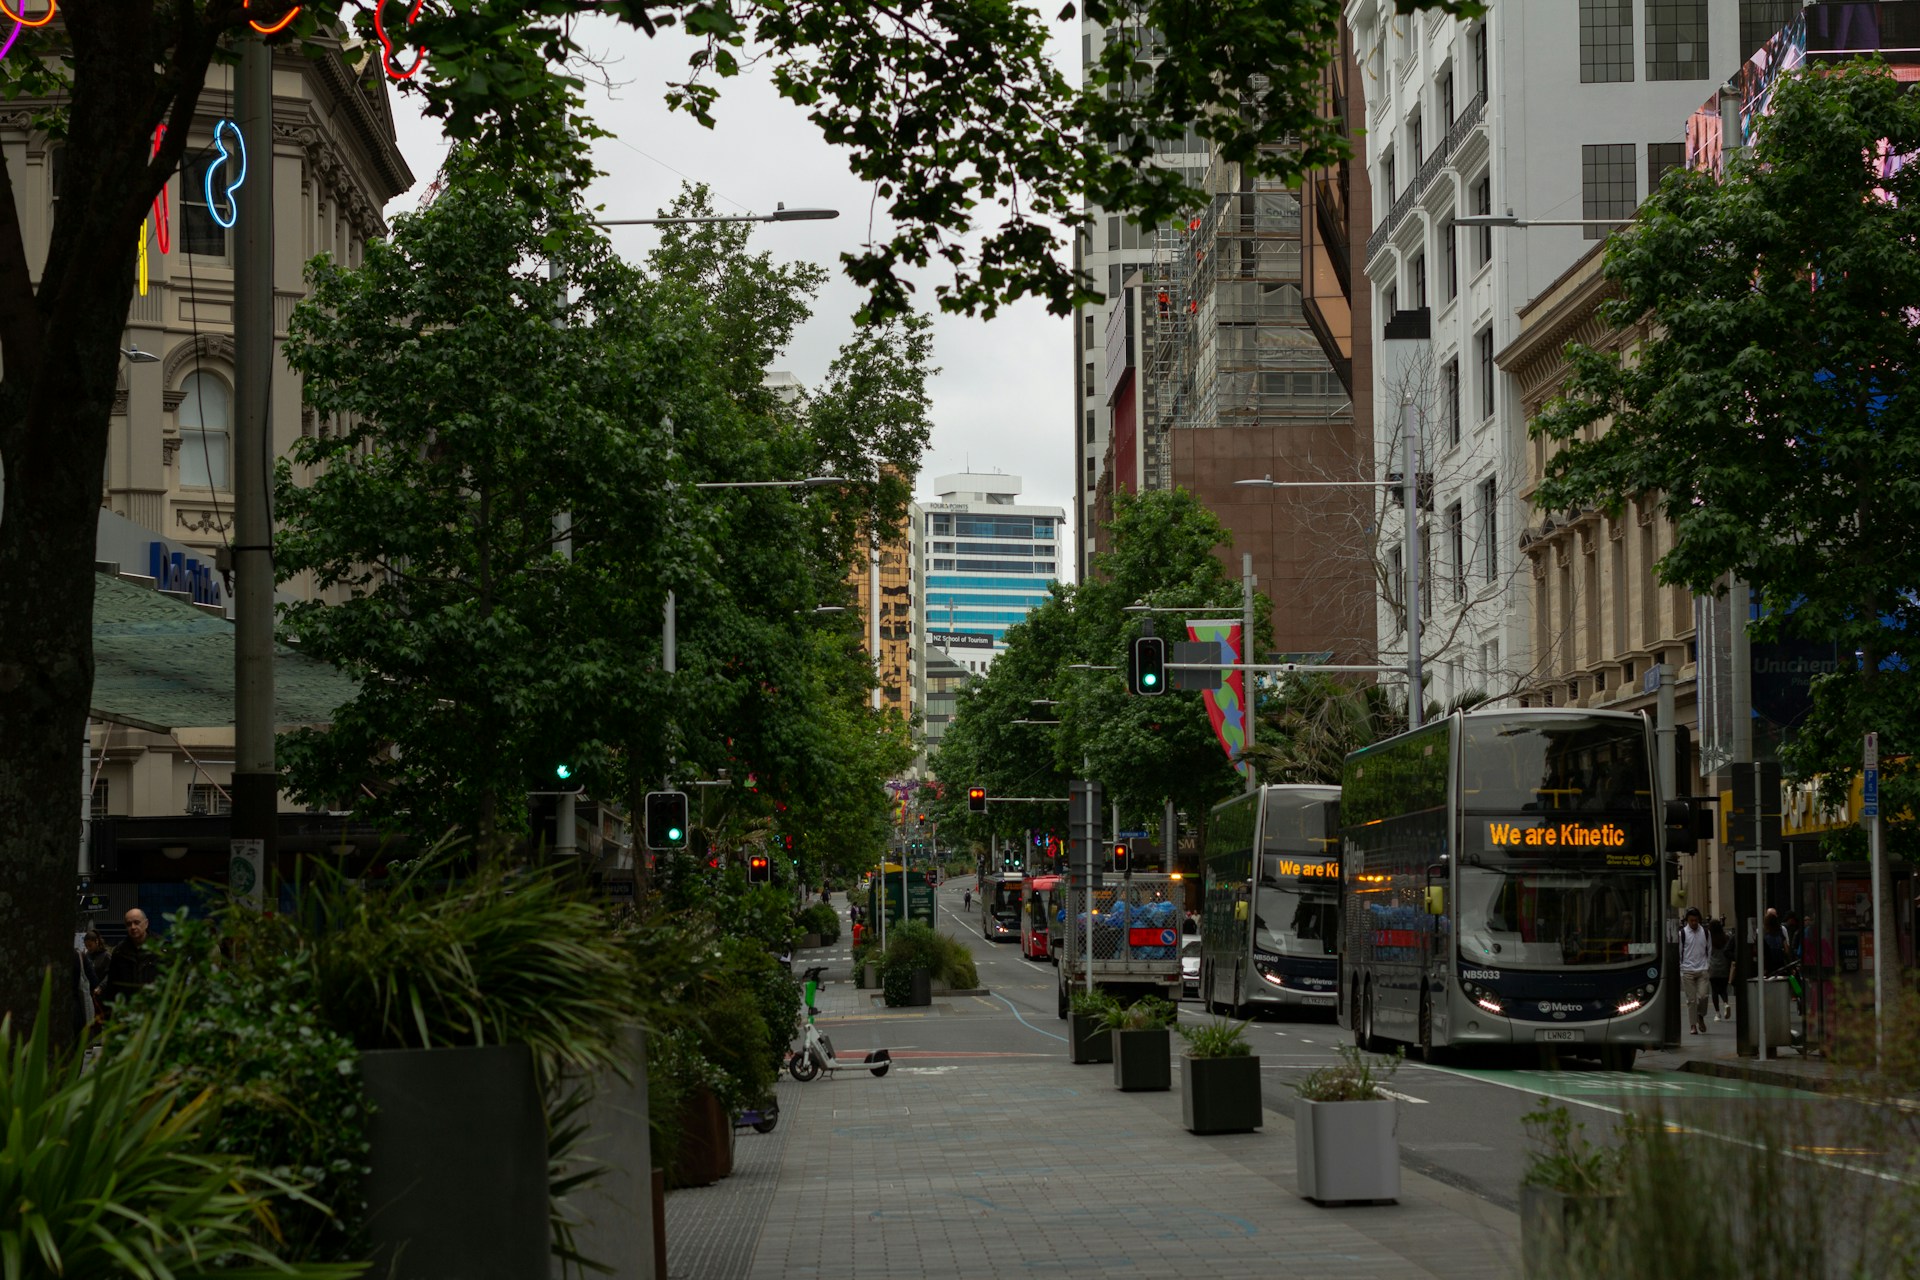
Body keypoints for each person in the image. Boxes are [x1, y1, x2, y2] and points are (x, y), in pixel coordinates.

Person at [97, 908, 158, 1019]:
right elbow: (112, 986)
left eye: (136, 922)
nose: (133, 927)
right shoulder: (120, 952)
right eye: (129, 924)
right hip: (128, 1014)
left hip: (154, 1013)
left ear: (146, 923)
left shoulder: (160, 948)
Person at [1679, 906, 1712, 1035]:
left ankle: (1700, 1015)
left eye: (1696, 920)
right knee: (1691, 1000)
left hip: (1702, 969)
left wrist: (1707, 964)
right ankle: (1693, 1025)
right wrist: (1681, 968)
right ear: (1687, 920)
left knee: (1703, 996)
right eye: (1691, 920)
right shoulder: (1682, 933)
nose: (1694, 923)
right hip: (1687, 970)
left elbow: (1708, 949)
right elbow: (1679, 951)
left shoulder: (1705, 932)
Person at [1708, 917, 1735, 1021]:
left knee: (1714, 990)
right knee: (1723, 989)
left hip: (1713, 968)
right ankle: (1726, 1003)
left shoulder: (1709, 938)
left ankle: (1717, 1014)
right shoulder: (1726, 937)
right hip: (1724, 967)